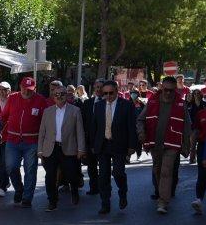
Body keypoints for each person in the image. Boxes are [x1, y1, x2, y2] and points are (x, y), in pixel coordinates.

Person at [138, 76, 191, 214]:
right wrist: (141, 132)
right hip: (155, 143)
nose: (168, 93)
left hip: (172, 144)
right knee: (157, 170)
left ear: (175, 90)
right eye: (165, 90)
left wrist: (186, 146)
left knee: (166, 171)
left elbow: (187, 126)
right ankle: (162, 193)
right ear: (161, 88)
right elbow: (140, 119)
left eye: (171, 91)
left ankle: (163, 201)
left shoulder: (181, 104)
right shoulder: (152, 101)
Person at [0, 76, 50, 208]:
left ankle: (27, 198)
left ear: (34, 89)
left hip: (32, 141)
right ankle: (19, 188)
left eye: (29, 90)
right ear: (20, 87)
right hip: (13, 140)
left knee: (30, 170)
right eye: (24, 88)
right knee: (11, 166)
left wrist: (45, 142)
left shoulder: (41, 101)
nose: (26, 92)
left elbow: (46, 123)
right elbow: (3, 117)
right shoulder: (13, 98)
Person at [91, 80, 139, 214]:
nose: (107, 96)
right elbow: (94, 126)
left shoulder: (127, 105)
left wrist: (132, 146)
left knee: (118, 173)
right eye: (104, 93)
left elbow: (131, 126)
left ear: (117, 91)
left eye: (110, 93)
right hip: (103, 144)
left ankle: (122, 193)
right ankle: (105, 203)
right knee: (103, 176)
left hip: (119, 144)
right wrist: (93, 144)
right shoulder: (99, 105)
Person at [38, 85, 86, 210]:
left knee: (71, 174)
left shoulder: (75, 110)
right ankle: (52, 201)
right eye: (56, 94)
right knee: (50, 176)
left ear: (67, 95)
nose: (59, 97)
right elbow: (42, 132)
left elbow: (79, 131)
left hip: (69, 148)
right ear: (53, 97)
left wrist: (81, 149)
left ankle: (74, 191)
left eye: (62, 94)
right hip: (51, 149)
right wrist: (40, 150)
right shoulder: (47, 111)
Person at [81, 79, 105, 196]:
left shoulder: (108, 102)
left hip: (105, 141)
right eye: (97, 87)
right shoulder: (88, 103)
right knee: (91, 166)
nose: (99, 89)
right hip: (90, 140)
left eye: (101, 87)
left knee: (104, 167)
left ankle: (104, 187)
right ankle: (94, 187)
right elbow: (84, 122)